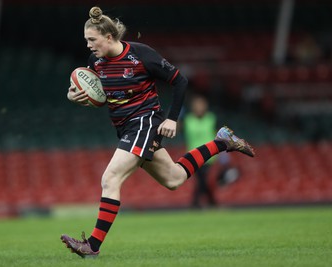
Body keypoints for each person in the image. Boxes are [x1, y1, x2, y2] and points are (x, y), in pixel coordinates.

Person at [61, 6, 255, 258]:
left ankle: (92, 246)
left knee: (110, 179)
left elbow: (180, 81)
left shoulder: (142, 54)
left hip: (144, 122)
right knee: (174, 179)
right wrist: (74, 96)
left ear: (109, 37)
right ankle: (222, 142)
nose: (88, 45)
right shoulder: (95, 62)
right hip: (125, 128)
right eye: (86, 40)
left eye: (92, 39)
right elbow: (97, 95)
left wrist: (172, 119)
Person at [183, 93, 232, 208]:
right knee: (202, 180)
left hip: (209, 155)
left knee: (203, 179)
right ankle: (210, 202)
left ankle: (197, 203)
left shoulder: (212, 118)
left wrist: (224, 153)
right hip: (193, 155)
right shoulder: (187, 120)